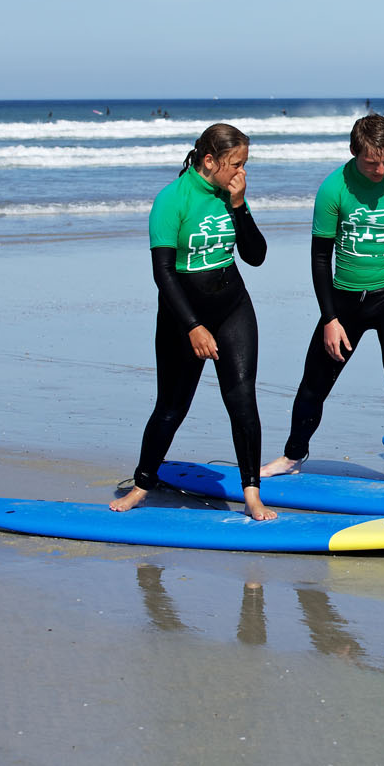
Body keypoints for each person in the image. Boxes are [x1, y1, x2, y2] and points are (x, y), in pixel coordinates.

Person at [261, 114, 384, 492]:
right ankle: (293, 456)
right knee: (314, 383)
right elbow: (319, 257)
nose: (380, 169)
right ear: (354, 152)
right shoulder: (334, 189)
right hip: (344, 301)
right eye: (372, 161)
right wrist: (330, 317)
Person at [111, 123, 274, 519]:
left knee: (242, 400)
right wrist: (192, 327)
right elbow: (163, 274)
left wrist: (239, 206)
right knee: (171, 407)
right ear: (209, 160)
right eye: (235, 164)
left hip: (233, 307)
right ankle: (141, 485)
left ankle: (251, 493)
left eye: (244, 164)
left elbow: (255, 255)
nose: (241, 173)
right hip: (182, 316)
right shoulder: (172, 200)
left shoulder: (231, 195)